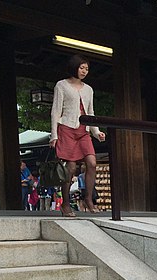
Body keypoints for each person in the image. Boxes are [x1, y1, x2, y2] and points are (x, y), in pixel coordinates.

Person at [50, 54, 106, 217]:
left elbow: (91, 112)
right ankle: (66, 203)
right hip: (66, 128)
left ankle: (88, 199)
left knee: (92, 162)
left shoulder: (89, 89)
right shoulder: (61, 85)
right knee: (71, 168)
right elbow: (55, 111)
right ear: (74, 67)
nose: (84, 71)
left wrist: (96, 132)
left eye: (87, 68)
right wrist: (54, 135)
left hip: (84, 131)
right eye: (82, 67)